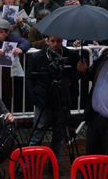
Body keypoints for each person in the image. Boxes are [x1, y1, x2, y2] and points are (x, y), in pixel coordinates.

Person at [26, 35, 79, 165]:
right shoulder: (38, 57)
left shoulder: (70, 55)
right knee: (37, 135)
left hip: (61, 102)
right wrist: (34, 98)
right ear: (47, 41)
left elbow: (75, 75)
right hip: (43, 101)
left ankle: (55, 165)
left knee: (59, 137)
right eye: (52, 41)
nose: (55, 44)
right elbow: (29, 77)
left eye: (59, 41)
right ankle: (28, 166)